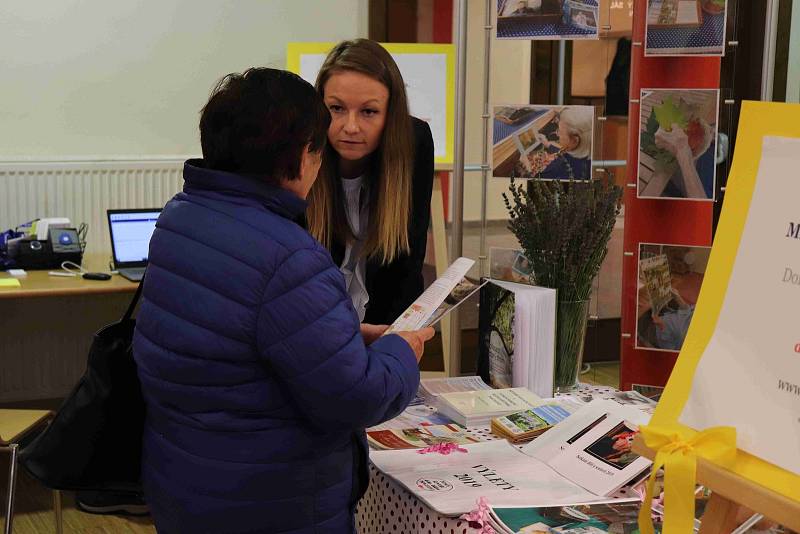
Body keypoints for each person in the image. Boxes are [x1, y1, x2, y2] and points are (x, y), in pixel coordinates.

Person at [132, 67, 434, 533]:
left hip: (186, 480)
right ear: (300, 155)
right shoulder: (288, 257)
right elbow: (355, 398)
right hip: (270, 501)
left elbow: (232, 337)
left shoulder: (181, 218)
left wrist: (342, 337)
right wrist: (401, 350)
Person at [306, 38, 435, 325]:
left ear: (391, 114)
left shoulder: (415, 144)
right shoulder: (299, 150)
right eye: (336, 108)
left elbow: (408, 262)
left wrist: (389, 346)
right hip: (313, 327)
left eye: (369, 111)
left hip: (386, 319)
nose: (351, 127)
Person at [532, 107, 593, 180]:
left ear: (574, 140)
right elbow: (566, 155)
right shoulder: (587, 153)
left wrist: (526, 166)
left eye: (559, 131)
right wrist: (548, 144)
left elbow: (534, 179)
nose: (557, 134)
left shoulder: (555, 172)